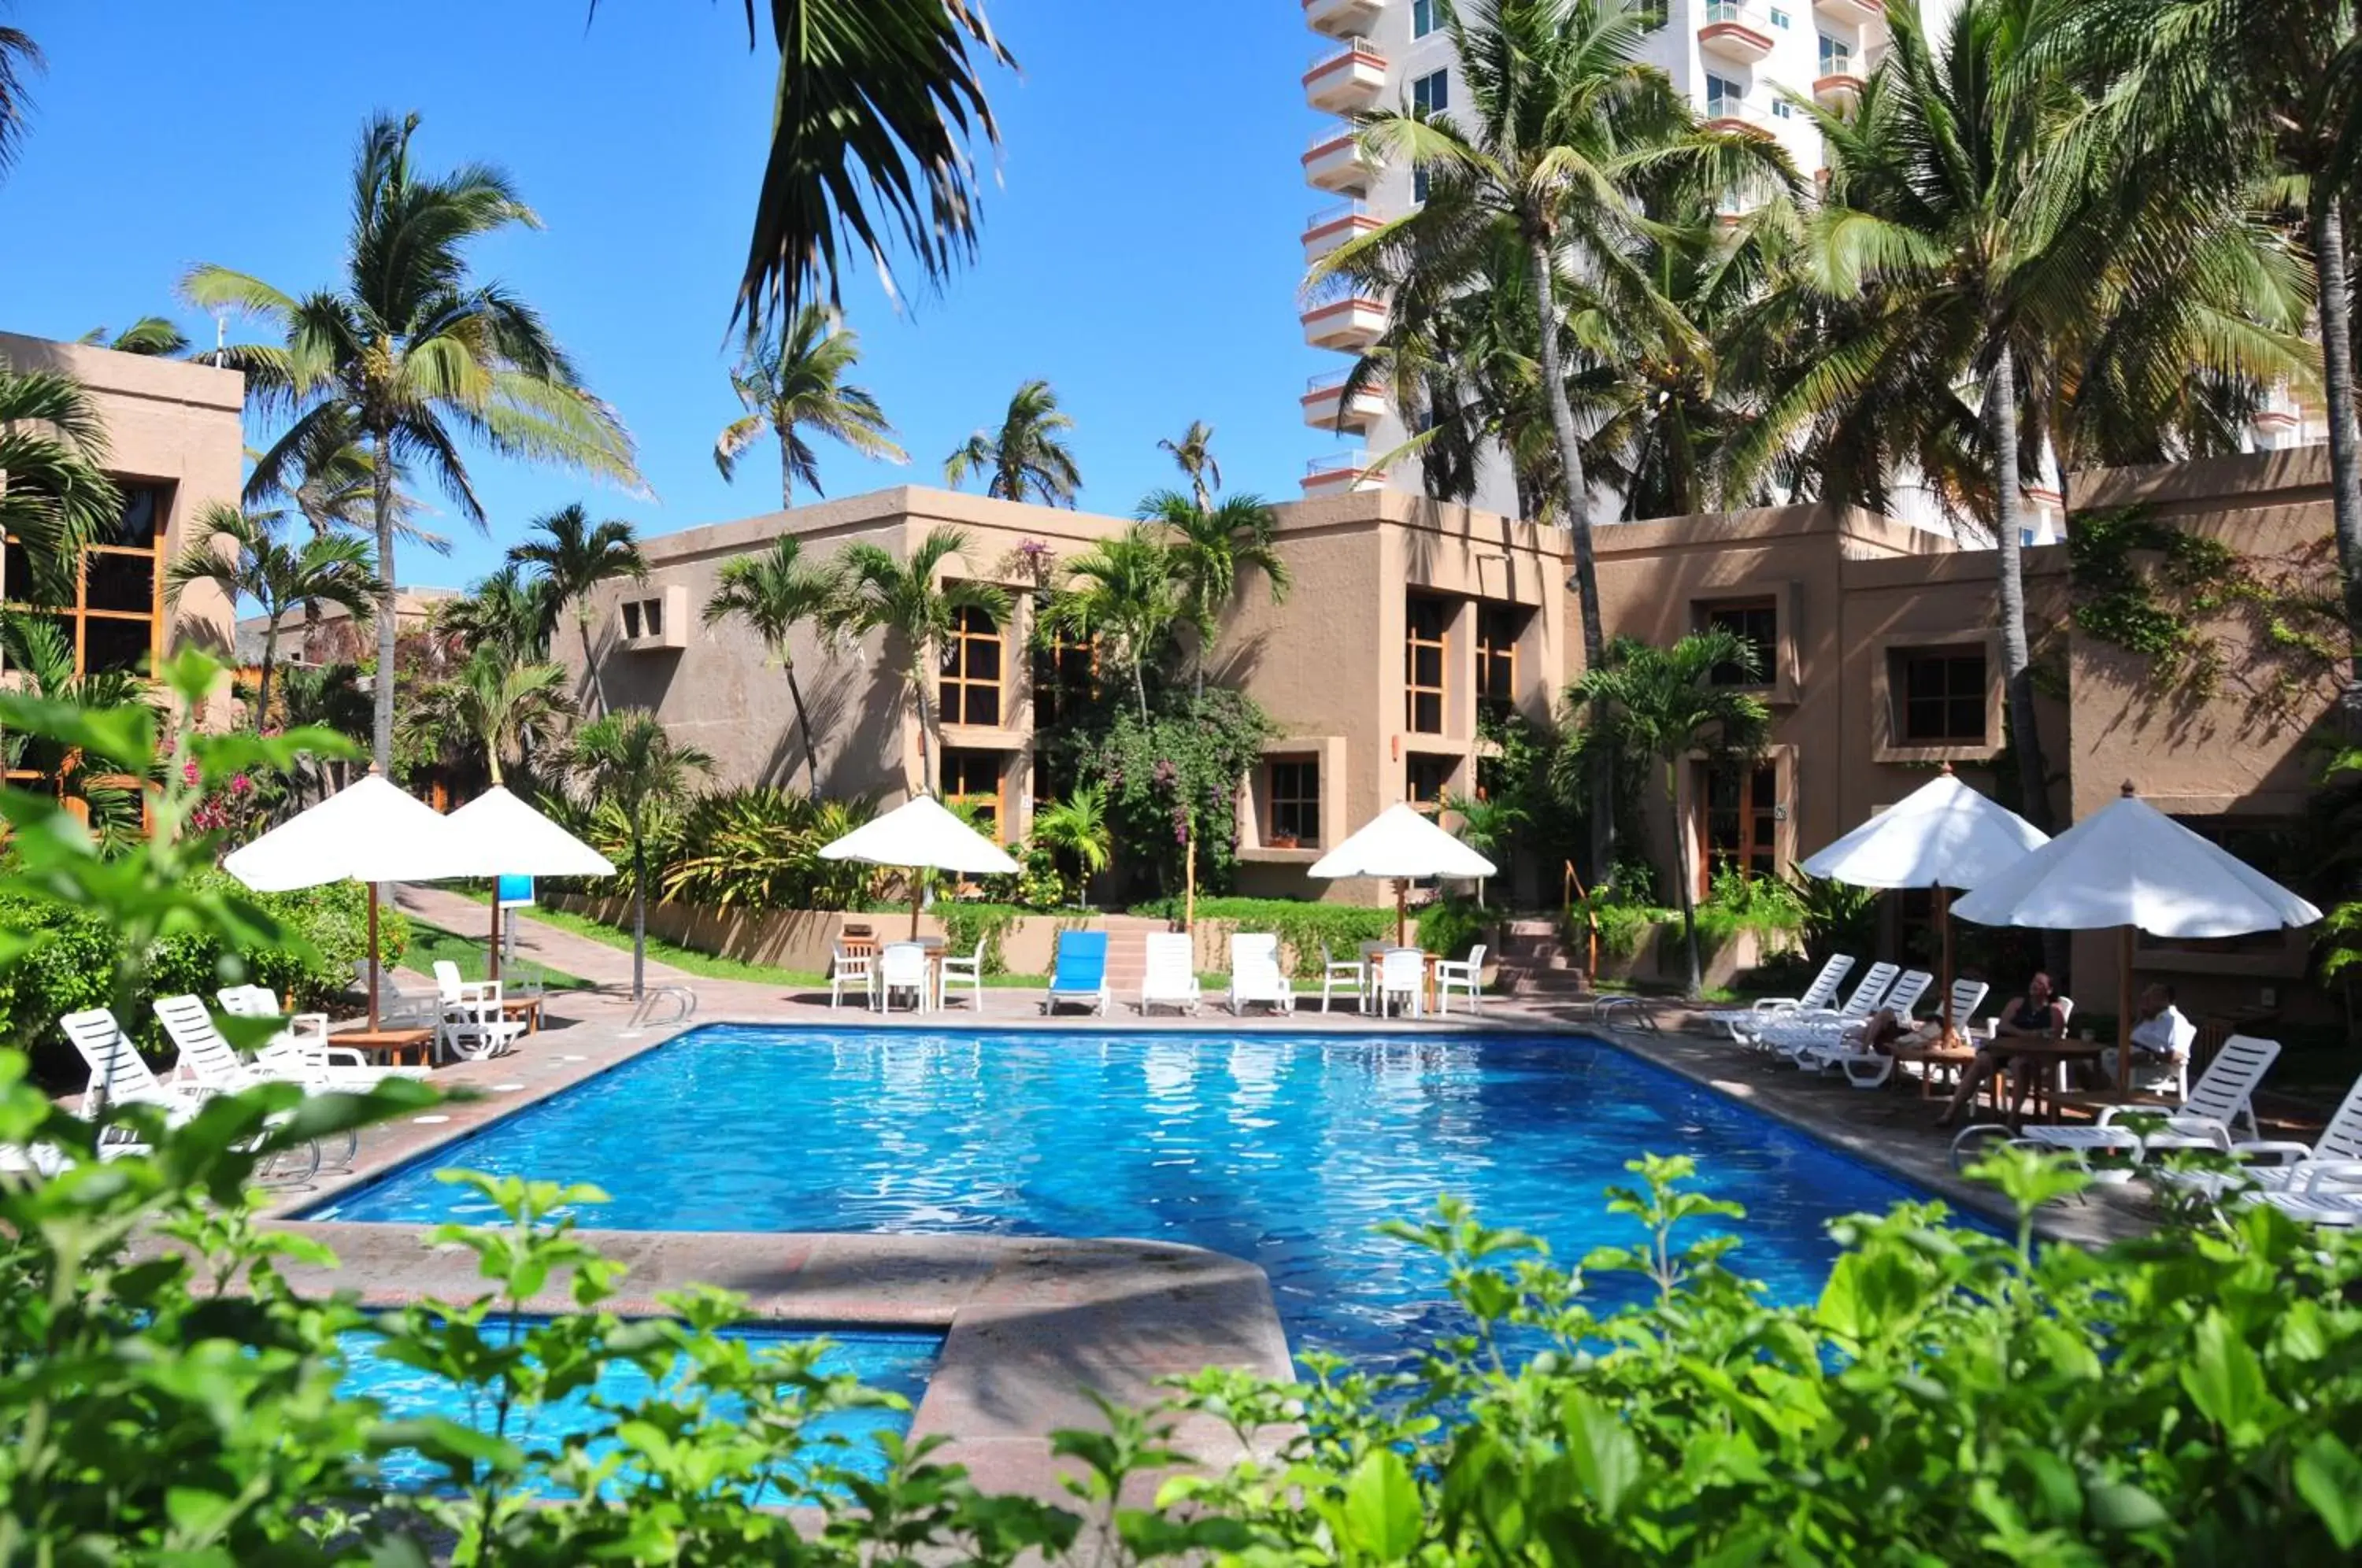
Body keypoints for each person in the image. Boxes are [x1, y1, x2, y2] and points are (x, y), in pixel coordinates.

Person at [1935, 972, 2068, 1128]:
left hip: (2031, 1056)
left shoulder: (2054, 1013)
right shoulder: (2017, 1003)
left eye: (2040, 983)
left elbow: (2054, 1039)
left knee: (2020, 1065)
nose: (2034, 985)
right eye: (2034, 981)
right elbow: (2003, 1026)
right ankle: (1949, 1114)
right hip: (2003, 1050)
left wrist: (2032, 1038)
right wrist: (2026, 1034)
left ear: (2050, 990)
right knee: (1981, 1061)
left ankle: (2011, 1121)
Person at [2097, 983, 2190, 1091]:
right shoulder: (2151, 1017)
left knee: (2100, 1066)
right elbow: (2127, 1039)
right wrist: (2140, 1018)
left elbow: (2179, 1055)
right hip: (2129, 1058)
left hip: (2151, 1067)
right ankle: (2104, 1094)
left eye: (2149, 998)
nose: (2144, 1001)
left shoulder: (2175, 1021)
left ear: (2164, 1000)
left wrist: (2152, 1056)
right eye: (2145, 997)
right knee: (2087, 1064)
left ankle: (2107, 1096)